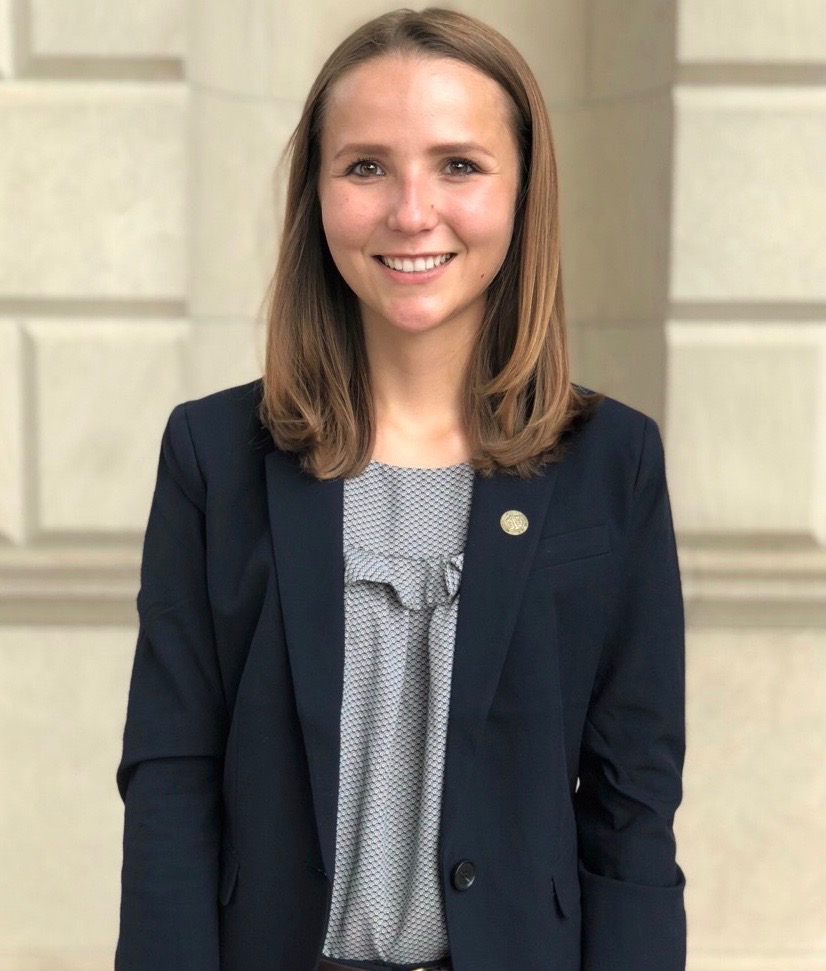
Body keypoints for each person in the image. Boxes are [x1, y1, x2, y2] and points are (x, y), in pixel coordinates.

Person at [115, 7, 686, 971]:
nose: (411, 212)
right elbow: (171, 780)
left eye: (459, 165)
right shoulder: (211, 454)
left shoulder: (612, 461)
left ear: (521, 192)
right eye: (366, 165)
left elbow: (634, 811)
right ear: (318, 194)